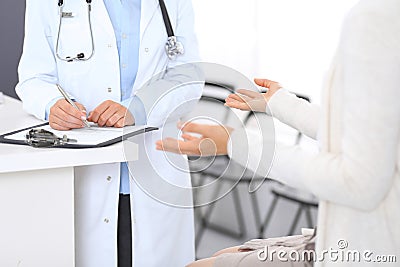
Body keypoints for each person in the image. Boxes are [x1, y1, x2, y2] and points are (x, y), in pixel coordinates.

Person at [157, 0, 400, 266]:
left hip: (369, 247)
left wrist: (236, 143)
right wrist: (282, 105)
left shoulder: (375, 20)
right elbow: (362, 132)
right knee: (219, 258)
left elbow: (358, 182)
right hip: (365, 235)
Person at [16, 0, 202, 266]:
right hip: (82, 174)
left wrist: (138, 108)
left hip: (153, 167)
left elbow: (188, 80)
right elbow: (33, 78)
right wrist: (51, 105)